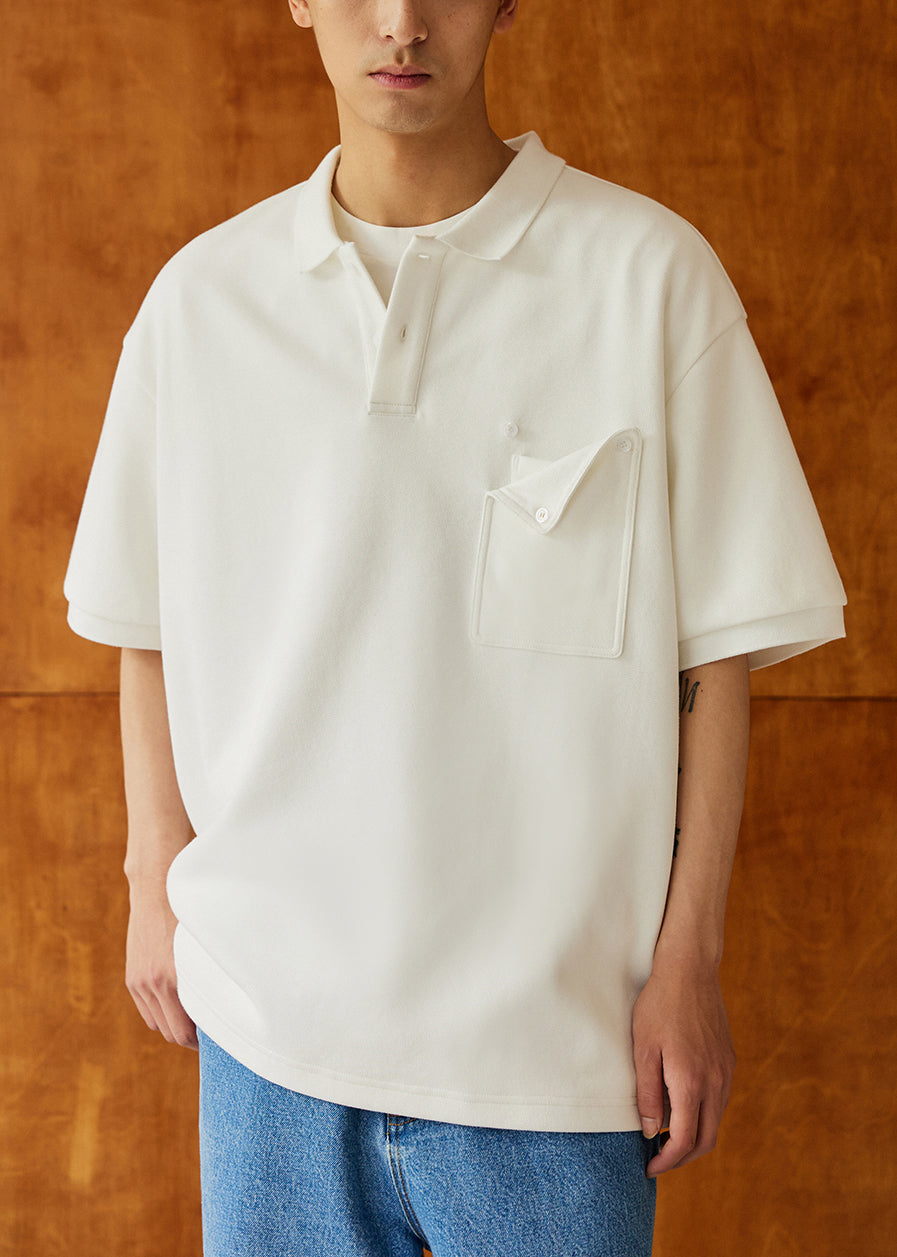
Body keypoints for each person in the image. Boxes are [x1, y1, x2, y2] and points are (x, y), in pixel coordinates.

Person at [63, 2, 847, 1254]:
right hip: (268, 1036)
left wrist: (689, 962)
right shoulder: (202, 301)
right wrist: (150, 877)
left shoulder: (648, 276)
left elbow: (718, 657)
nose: (401, 23)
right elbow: (140, 616)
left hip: (559, 1058)